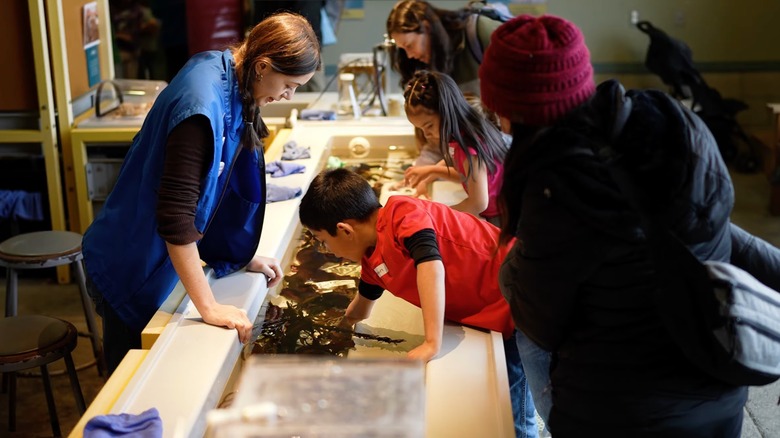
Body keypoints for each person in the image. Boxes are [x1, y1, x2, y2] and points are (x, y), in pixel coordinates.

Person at [479, 14, 748, 436]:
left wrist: (507, 270)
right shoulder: (679, 124)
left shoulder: (553, 187)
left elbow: (541, 323)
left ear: (515, 111)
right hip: (722, 380)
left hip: (619, 412)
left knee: (523, 330)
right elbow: (724, 232)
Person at [82, 12, 321, 374]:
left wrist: (236, 255)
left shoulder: (232, 77)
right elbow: (176, 220)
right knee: (130, 385)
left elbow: (214, 185)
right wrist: (209, 307)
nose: (288, 95)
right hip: (129, 263)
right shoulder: (201, 105)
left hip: (158, 258)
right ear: (263, 65)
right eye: (290, 85)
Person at [299, 167, 540, 438]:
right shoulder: (371, 261)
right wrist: (329, 338)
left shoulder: (403, 213)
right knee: (521, 397)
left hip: (524, 295)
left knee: (517, 409)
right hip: (500, 311)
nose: (326, 250)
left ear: (344, 230)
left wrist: (431, 343)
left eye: (322, 241)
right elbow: (360, 309)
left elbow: (430, 265)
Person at [401, 70, 507, 225]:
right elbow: (460, 166)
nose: (427, 134)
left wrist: (434, 215)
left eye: (429, 126)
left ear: (446, 111)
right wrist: (428, 175)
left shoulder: (471, 145)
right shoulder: (461, 135)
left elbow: (478, 203)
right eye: (421, 129)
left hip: (500, 219)